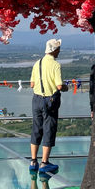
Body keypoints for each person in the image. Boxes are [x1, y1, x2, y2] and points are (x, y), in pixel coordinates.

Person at [30, 38, 68, 174]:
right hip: (49, 101)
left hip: (36, 99)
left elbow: (32, 84)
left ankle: (33, 161)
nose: (60, 51)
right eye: (58, 48)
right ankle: (44, 163)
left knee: (36, 128)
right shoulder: (55, 65)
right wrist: (65, 87)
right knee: (49, 129)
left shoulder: (37, 63)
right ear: (54, 50)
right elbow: (59, 85)